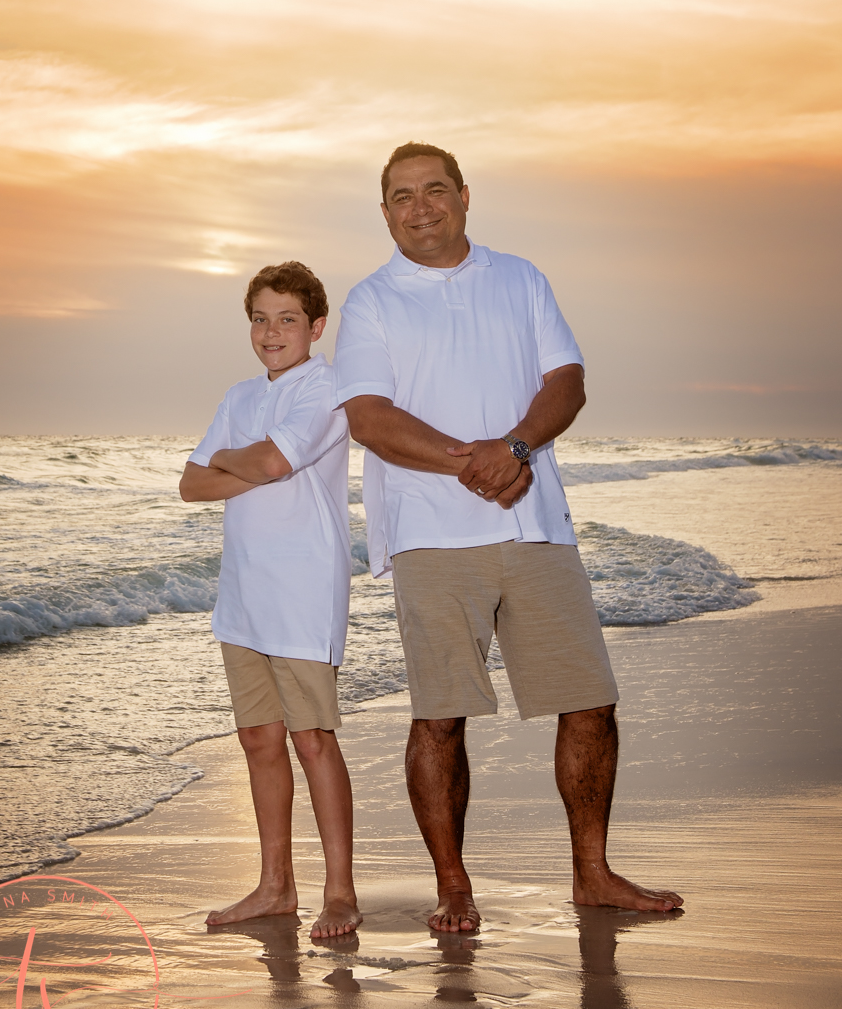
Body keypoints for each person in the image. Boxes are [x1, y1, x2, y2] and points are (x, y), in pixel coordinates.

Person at [333, 143, 683, 932]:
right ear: (383, 211)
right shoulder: (372, 301)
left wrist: (516, 446)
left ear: (463, 196)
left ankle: (592, 873)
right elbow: (369, 419)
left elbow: (568, 381)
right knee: (440, 716)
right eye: (399, 196)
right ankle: (453, 885)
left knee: (589, 702)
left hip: (535, 524)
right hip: (430, 534)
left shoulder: (519, 278)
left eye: (433, 191)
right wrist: (477, 461)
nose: (418, 207)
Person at [180, 261, 361, 939]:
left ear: (315, 326)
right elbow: (190, 485)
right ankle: (274, 887)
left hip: (304, 591)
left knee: (312, 740)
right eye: (259, 318)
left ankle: (339, 892)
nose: (271, 332)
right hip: (244, 595)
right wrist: (244, 461)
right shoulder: (238, 395)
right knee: (259, 739)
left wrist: (238, 461)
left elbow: (271, 465)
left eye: (287, 318)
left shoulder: (327, 387)